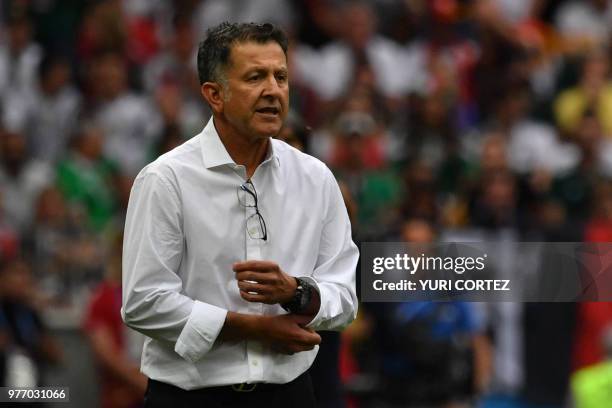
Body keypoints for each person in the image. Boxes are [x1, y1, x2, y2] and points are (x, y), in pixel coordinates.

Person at [121, 22, 359, 408]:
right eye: (255, 77)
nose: (273, 90)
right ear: (215, 95)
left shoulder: (315, 178)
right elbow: (143, 303)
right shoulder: (166, 179)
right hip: (190, 399)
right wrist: (255, 329)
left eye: (280, 76)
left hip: (291, 395)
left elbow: (345, 297)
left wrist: (297, 293)